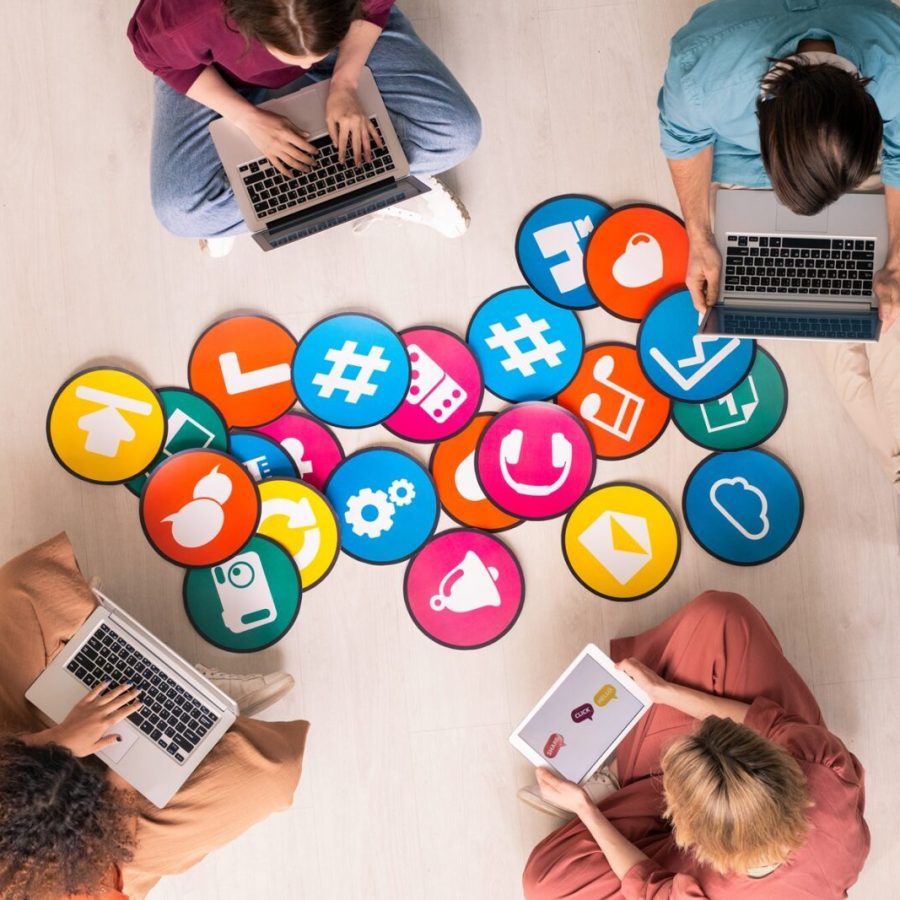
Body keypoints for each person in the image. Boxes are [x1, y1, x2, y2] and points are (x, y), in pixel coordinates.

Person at [0, 533, 307, 898]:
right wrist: (128, 752)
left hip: (19, 751)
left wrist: (58, 740)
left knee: (26, 587)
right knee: (264, 777)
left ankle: (124, 659)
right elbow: (116, 842)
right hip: (113, 843)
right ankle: (196, 697)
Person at [521, 590, 869, 898]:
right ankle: (636, 782)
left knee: (545, 883)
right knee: (724, 616)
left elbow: (649, 887)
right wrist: (665, 692)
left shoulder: (711, 890)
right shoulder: (822, 764)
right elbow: (767, 720)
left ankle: (622, 789)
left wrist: (586, 808)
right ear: (773, 759)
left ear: (688, 837)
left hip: (697, 870)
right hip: (784, 833)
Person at [127, 0, 482, 254]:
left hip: (338, 27)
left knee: (459, 134)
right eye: (296, 58)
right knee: (181, 214)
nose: (310, 64)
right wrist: (246, 118)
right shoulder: (188, 16)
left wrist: (344, 81)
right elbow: (163, 61)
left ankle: (257, 206)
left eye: (317, 54)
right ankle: (380, 181)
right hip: (221, 66)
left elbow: (373, 8)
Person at [658, 0, 900, 331]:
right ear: (763, 124)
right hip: (737, 166)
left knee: (870, 313)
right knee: (826, 317)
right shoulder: (703, 76)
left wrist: (896, 264)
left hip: (854, 162)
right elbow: (683, 139)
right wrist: (699, 239)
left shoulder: (895, 68)